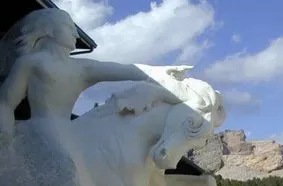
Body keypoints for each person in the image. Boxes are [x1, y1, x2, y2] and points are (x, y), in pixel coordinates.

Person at [0, 8, 191, 136]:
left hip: (68, 135)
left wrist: (161, 71)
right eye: (69, 28)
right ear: (49, 30)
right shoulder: (31, 62)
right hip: (40, 134)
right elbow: (6, 103)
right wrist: (6, 136)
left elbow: (129, 70)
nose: (75, 34)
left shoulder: (83, 68)